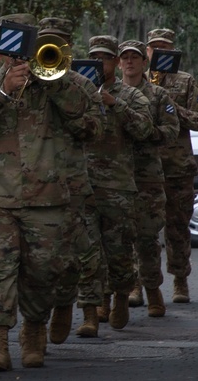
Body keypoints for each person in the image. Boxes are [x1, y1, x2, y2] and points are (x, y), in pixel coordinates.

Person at [0, 13, 91, 371]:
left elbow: (89, 123)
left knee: (42, 270)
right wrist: (4, 91)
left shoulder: (65, 84)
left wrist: (55, 83)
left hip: (46, 196)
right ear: (2, 47)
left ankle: (34, 331)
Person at [75, 35, 153, 335]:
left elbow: (145, 128)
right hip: (84, 186)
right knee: (87, 253)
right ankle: (90, 313)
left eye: (106, 58)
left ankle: (120, 295)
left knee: (119, 253)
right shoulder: (77, 91)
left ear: (115, 61)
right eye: (94, 58)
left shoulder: (130, 95)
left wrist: (115, 104)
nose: (100, 64)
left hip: (119, 188)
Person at [45, 18, 104, 344]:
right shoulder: (25, 81)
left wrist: (60, 90)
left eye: (59, 41)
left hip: (71, 182)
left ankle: (72, 306)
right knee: (37, 258)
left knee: (78, 252)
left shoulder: (82, 85)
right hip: (33, 181)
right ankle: (35, 323)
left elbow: (94, 130)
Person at [146, 28, 198, 303]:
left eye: (165, 47)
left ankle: (180, 280)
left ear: (173, 51)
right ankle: (142, 282)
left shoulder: (186, 82)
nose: (159, 52)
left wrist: (170, 105)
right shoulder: (137, 80)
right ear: (147, 51)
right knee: (143, 228)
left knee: (178, 226)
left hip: (177, 167)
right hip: (145, 167)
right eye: (154, 48)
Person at [118, 40, 179, 318]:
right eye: (125, 58)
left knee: (146, 237)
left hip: (147, 176)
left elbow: (170, 131)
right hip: (116, 175)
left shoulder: (158, 95)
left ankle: (153, 289)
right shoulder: (106, 92)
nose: (129, 62)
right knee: (119, 237)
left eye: (135, 57)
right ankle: (130, 288)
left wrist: (145, 132)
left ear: (145, 62)